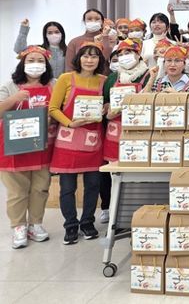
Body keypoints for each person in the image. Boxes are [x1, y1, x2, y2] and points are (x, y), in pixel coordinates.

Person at [49, 42, 108, 244]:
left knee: (93, 185)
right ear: (78, 58)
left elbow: (110, 105)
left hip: (93, 141)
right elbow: (53, 108)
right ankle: (71, 225)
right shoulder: (66, 79)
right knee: (67, 187)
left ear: (100, 60)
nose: (90, 60)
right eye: (86, 56)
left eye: (94, 56)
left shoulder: (104, 81)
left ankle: (88, 222)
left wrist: (106, 108)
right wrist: (69, 123)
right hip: (68, 140)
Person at [0, 46, 55, 249]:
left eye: (40, 61)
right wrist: (13, 99)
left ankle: (35, 224)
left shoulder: (53, 84)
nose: (35, 65)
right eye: (31, 61)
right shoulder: (10, 86)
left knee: (40, 188)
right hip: (14, 146)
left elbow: (60, 108)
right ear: (22, 64)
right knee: (17, 191)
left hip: (43, 146)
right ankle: (18, 227)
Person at [101, 39, 149, 223]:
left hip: (139, 132)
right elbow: (105, 103)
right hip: (114, 134)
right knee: (115, 177)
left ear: (138, 55)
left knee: (139, 178)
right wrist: (108, 111)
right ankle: (116, 217)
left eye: (128, 53)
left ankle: (138, 216)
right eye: (120, 54)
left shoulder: (148, 75)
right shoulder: (112, 78)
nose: (123, 57)